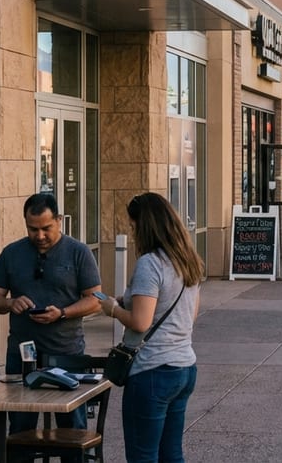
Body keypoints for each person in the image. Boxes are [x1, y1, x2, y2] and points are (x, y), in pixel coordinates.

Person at [0, 193, 102, 434]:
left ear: (59, 220)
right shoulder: (11, 253)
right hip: (21, 353)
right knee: (20, 426)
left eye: (46, 228)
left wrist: (62, 313)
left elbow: (96, 300)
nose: (39, 236)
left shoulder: (78, 252)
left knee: (71, 426)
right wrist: (11, 303)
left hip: (66, 352)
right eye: (32, 229)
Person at [99, 193, 202, 462]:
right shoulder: (187, 260)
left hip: (152, 370)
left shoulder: (150, 264)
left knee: (143, 455)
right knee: (172, 454)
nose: (132, 233)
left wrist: (113, 309)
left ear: (145, 226)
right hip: (184, 367)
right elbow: (188, 315)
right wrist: (130, 300)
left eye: (133, 227)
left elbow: (141, 322)